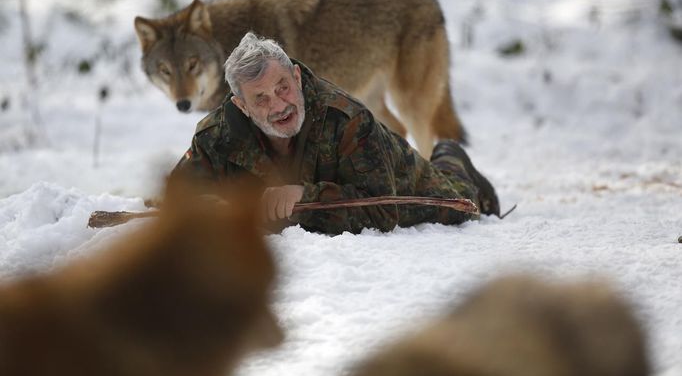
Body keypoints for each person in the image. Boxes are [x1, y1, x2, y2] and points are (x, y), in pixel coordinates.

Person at [174, 32, 500, 235]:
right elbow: (175, 194)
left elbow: (382, 211)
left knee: (459, 202)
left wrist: (303, 197)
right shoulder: (215, 135)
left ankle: (450, 155)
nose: (279, 105)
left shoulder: (345, 118)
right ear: (242, 106)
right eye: (261, 98)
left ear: (297, 77)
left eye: (283, 87)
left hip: (405, 182)